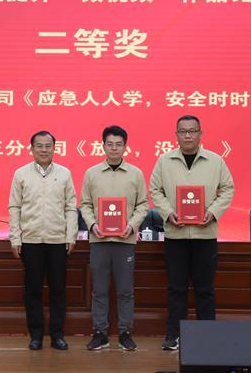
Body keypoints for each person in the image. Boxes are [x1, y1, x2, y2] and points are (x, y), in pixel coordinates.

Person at [149, 115, 234, 351]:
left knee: (205, 289)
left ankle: (207, 336)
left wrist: (213, 212)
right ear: (176, 135)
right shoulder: (164, 161)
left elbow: (228, 189)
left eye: (192, 131)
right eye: (183, 131)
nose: (188, 135)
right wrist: (168, 213)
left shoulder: (215, 161)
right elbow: (155, 190)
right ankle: (173, 335)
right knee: (176, 289)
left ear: (200, 133)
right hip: (175, 236)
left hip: (205, 235)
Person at [79, 125, 149, 351]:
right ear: (103, 146)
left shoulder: (136, 174)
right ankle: (100, 333)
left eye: (119, 144)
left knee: (125, 290)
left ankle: (125, 333)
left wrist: (131, 225)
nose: (114, 148)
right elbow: (85, 205)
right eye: (110, 144)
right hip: (99, 240)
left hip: (125, 240)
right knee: (99, 290)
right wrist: (92, 224)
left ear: (125, 147)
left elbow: (143, 205)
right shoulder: (91, 173)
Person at [8, 130, 77, 351]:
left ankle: (57, 335)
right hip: (31, 240)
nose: (44, 150)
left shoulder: (64, 173)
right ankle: (36, 335)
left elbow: (71, 207)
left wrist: (71, 235)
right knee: (33, 291)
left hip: (58, 241)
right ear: (32, 149)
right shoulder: (21, 174)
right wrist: (15, 237)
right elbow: (14, 207)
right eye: (39, 146)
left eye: (48, 146)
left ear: (54, 149)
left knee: (58, 291)